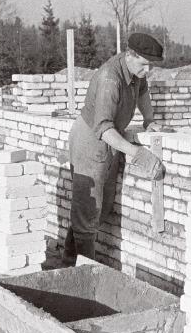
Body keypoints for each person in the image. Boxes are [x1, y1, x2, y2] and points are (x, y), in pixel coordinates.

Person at [62, 32, 166, 266]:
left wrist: (149, 119)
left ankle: (68, 259)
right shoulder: (111, 78)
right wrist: (138, 154)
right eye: (145, 64)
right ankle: (86, 275)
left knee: (98, 207)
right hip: (90, 140)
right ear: (131, 55)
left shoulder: (135, 70)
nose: (147, 70)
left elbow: (142, 93)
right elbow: (103, 128)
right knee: (88, 210)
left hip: (111, 139)